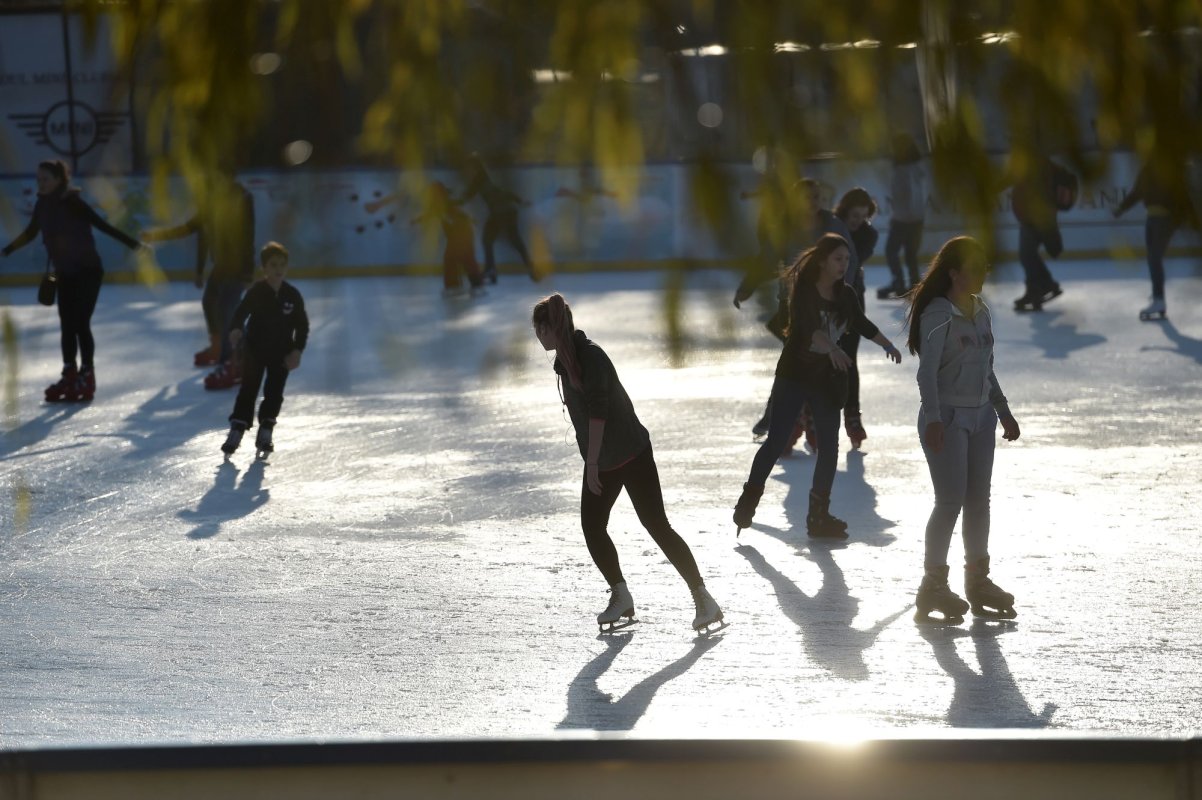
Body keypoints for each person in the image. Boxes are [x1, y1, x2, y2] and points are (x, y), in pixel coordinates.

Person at [531, 292, 723, 634]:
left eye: (538, 328)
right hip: (605, 459)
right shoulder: (565, 361)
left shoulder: (591, 356)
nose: (536, 335)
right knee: (593, 527)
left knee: (656, 524)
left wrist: (591, 463)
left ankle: (703, 598)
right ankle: (621, 595)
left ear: (548, 328)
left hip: (632, 454)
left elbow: (599, 412)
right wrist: (594, 460)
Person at [733, 234, 902, 539]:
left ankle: (818, 516)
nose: (844, 265)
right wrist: (833, 348)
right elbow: (809, 330)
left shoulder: (845, 294)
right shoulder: (804, 291)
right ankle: (749, 499)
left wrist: (887, 344)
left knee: (829, 447)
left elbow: (861, 323)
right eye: (838, 259)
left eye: (847, 259)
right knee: (776, 441)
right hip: (794, 375)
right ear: (822, 261)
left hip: (826, 379)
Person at [903, 236, 1020, 624]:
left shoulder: (981, 310)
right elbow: (926, 374)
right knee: (950, 501)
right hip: (948, 419)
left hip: (982, 417)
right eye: (975, 268)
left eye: (985, 267)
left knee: (979, 501)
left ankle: (978, 580)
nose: (982, 274)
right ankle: (932, 585)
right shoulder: (938, 314)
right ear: (954, 273)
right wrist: (934, 418)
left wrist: (1003, 411)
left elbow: (987, 368)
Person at [1, 159, 142, 402]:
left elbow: (101, 225)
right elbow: (31, 233)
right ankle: (70, 373)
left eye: (45, 179)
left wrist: (135, 245)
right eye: (38, 179)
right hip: (64, 273)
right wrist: (6, 251)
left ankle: (87, 375)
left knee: (80, 322)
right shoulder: (42, 204)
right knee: (67, 324)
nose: (41, 183)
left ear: (59, 179)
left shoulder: (73, 203)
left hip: (88, 271)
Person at [142, 172, 256, 386]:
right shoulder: (211, 202)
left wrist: (248, 270)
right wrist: (158, 236)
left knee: (227, 310)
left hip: (238, 265)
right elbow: (193, 229)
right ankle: (220, 348)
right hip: (222, 265)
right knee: (211, 302)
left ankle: (232, 361)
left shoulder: (241, 198)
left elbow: (248, 234)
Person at [220, 242, 309, 458]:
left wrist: (297, 350)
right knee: (248, 389)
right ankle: (237, 429)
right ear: (264, 268)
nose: (278, 269)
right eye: (273, 265)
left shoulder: (292, 295)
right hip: (255, 350)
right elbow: (240, 314)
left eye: (282, 264)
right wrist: (235, 329)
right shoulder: (257, 292)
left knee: (274, 392)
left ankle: (266, 430)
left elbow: (302, 326)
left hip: (281, 353)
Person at [1112, 157, 1197, 321]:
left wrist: (1193, 221)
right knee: (1153, 258)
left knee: (1154, 258)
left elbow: (1183, 195)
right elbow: (1137, 192)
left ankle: (1159, 299)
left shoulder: (1169, 168)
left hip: (1165, 218)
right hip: (1152, 217)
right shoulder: (1148, 168)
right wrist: (1121, 208)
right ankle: (1157, 296)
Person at [833, 187, 879, 449]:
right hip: (824, 297)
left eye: (863, 216)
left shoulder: (868, 234)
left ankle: (852, 415)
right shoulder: (830, 225)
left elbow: (852, 259)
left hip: (851, 299)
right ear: (845, 211)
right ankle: (808, 412)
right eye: (854, 216)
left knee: (849, 358)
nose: (858, 221)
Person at [457, 154, 539, 283]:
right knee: (509, 240)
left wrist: (451, 202)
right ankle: (528, 268)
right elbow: (503, 192)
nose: (468, 171)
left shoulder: (480, 178)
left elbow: (468, 195)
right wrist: (519, 200)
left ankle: (491, 270)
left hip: (501, 213)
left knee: (494, 240)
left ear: (474, 167)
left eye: (469, 167)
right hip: (505, 212)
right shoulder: (487, 177)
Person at [1007, 153, 1072, 312]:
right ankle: (1041, 286)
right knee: (1028, 255)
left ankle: (1040, 287)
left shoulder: (1038, 166)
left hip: (1036, 219)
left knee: (1027, 254)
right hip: (1030, 218)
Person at [879, 132, 926, 299]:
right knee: (910, 254)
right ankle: (914, 284)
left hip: (904, 219)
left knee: (891, 251)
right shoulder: (917, 168)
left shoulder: (903, 170)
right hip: (916, 219)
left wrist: (899, 216)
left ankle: (899, 282)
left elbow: (906, 195)